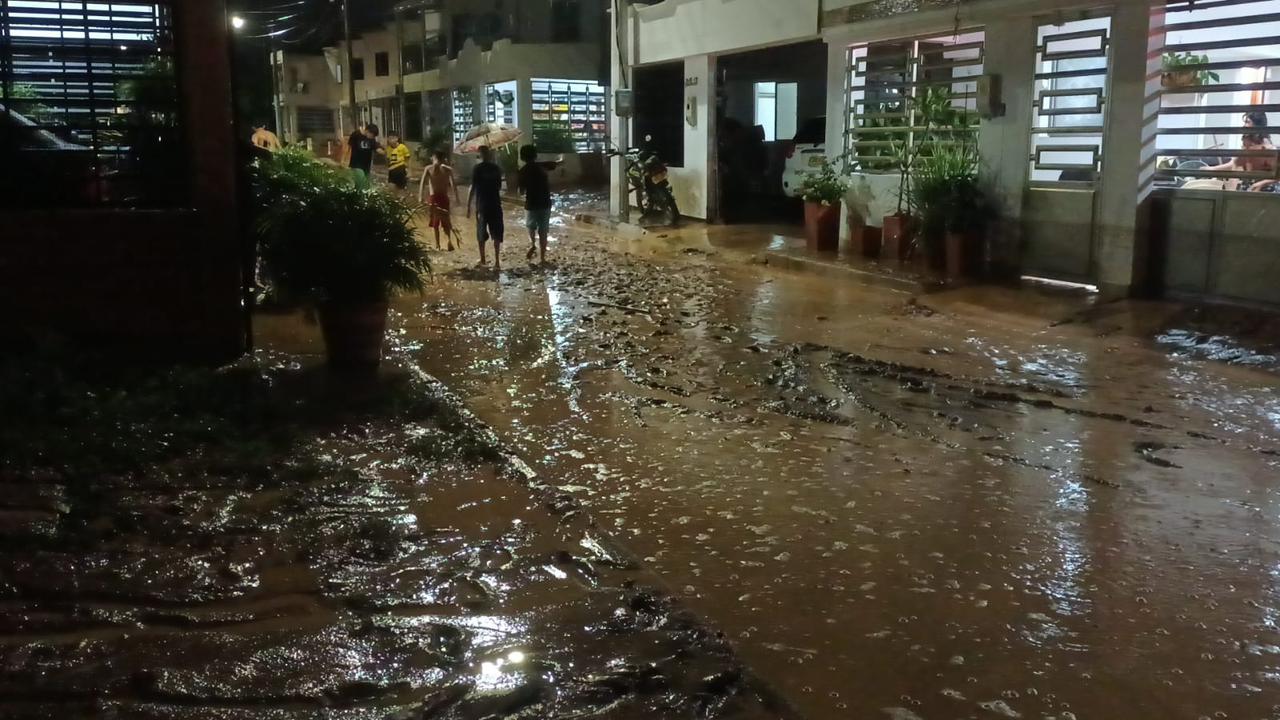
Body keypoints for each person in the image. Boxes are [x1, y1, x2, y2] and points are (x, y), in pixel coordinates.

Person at [467, 145, 505, 271]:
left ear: (480, 155)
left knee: (481, 234)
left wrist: (468, 207)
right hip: (495, 204)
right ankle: (497, 261)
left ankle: (483, 259)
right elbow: (499, 186)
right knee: (497, 233)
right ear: (490, 154)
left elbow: (472, 188)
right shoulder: (496, 169)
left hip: (482, 205)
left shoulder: (477, 169)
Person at [517, 144, 552, 264]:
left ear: (522, 157)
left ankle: (533, 244)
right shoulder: (541, 168)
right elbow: (554, 164)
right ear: (535, 155)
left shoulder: (522, 171)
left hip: (531, 204)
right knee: (543, 231)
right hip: (545, 203)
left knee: (530, 226)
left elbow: (521, 191)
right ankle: (542, 257)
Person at [419, 150, 460, 251]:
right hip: (444, 197)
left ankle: (437, 245)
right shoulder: (447, 169)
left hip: (434, 198)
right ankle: (449, 240)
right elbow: (454, 186)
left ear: (434, 157)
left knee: (435, 223)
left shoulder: (428, 168)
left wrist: (420, 197)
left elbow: (422, 184)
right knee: (446, 220)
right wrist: (457, 198)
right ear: (443, 159)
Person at [344, 123, 379, 189]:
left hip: (366, 165)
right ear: (367, 131)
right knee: (361, 182)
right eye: (372, 135)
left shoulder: (372, 139)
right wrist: (344, 159)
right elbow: (348, 147)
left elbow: (375, 147)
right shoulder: (356, 134)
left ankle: (357, 196)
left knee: (366, 185)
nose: (372, 137)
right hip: (356, 164)